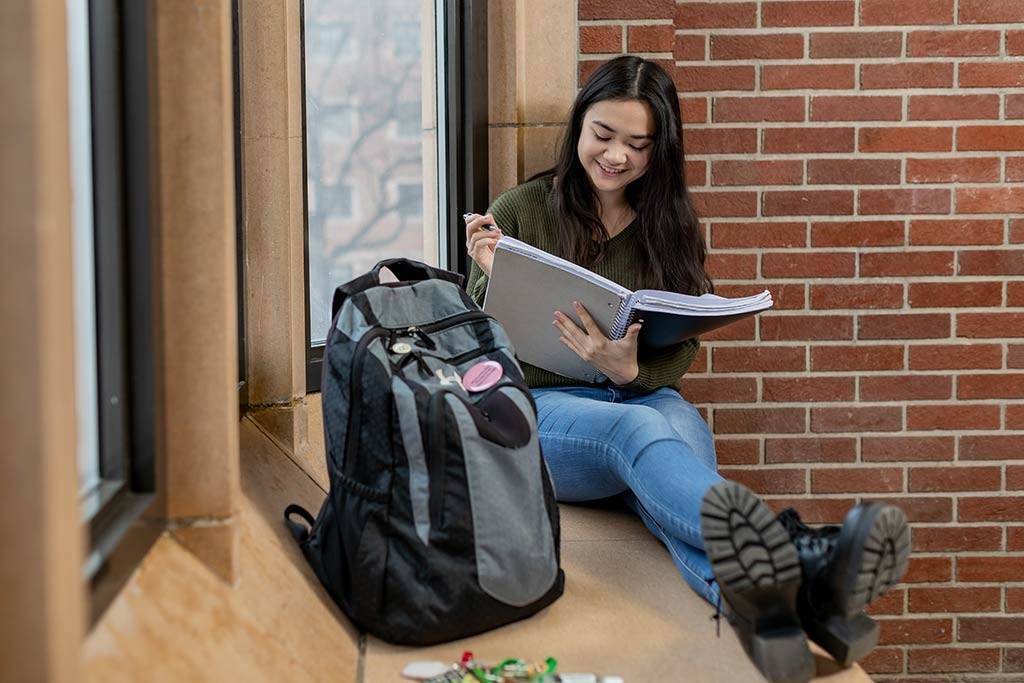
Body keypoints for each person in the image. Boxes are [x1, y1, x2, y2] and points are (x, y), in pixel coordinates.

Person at [464, 56, 908, 683]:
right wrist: (491, 275)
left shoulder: (672, 226)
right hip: (543, 414)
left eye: (637, 144)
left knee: (677, 441)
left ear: (660, 149)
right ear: (579, 127)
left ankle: (781, 616)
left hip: (640, 396)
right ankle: (800, 557)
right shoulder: (520, 210)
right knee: (639, 432)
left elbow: (680, 348)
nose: (616, 155)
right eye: (602, 134)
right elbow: (477, 352)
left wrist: (628, 372)